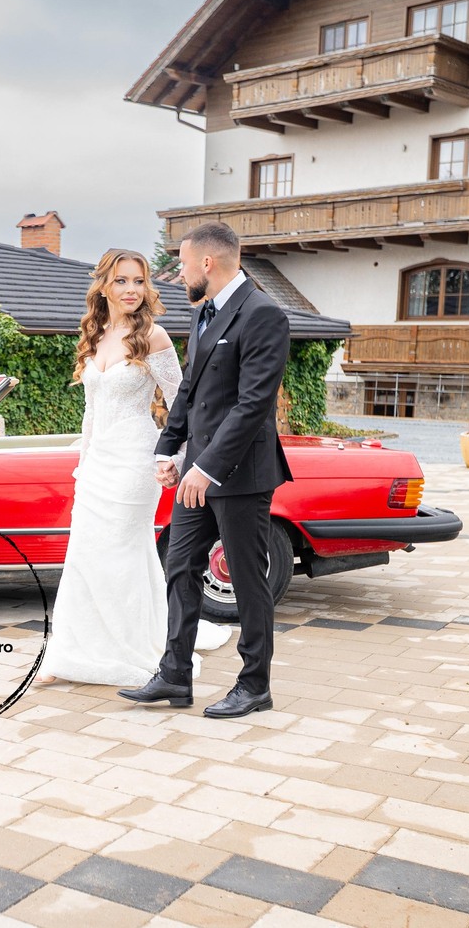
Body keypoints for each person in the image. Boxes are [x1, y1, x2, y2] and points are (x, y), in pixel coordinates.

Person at [119, 221, 291, 719]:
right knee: (180, 567)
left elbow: (253, 404)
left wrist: (208, 468)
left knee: (247, 580)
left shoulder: (262, 313)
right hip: (195, 470)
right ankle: (174, 674)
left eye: (184, 263)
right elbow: (190, 393)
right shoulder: (204, 313)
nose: (180, 273)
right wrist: (168, 451)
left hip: (240, 476)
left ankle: (254, 686)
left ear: (208, 263)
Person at [36, 249, 231, 687]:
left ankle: (128, 649)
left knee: (120, 556)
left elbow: (183, 403)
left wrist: (175, 458)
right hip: (97, 466)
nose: (131, 290)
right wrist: (83, 466)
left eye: (139, 281)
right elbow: (90, 411)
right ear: (104, 285)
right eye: (122, 280)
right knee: (84, 556)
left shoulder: (153, 336)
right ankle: (69, 653)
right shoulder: (94, 334)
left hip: (135, 462)